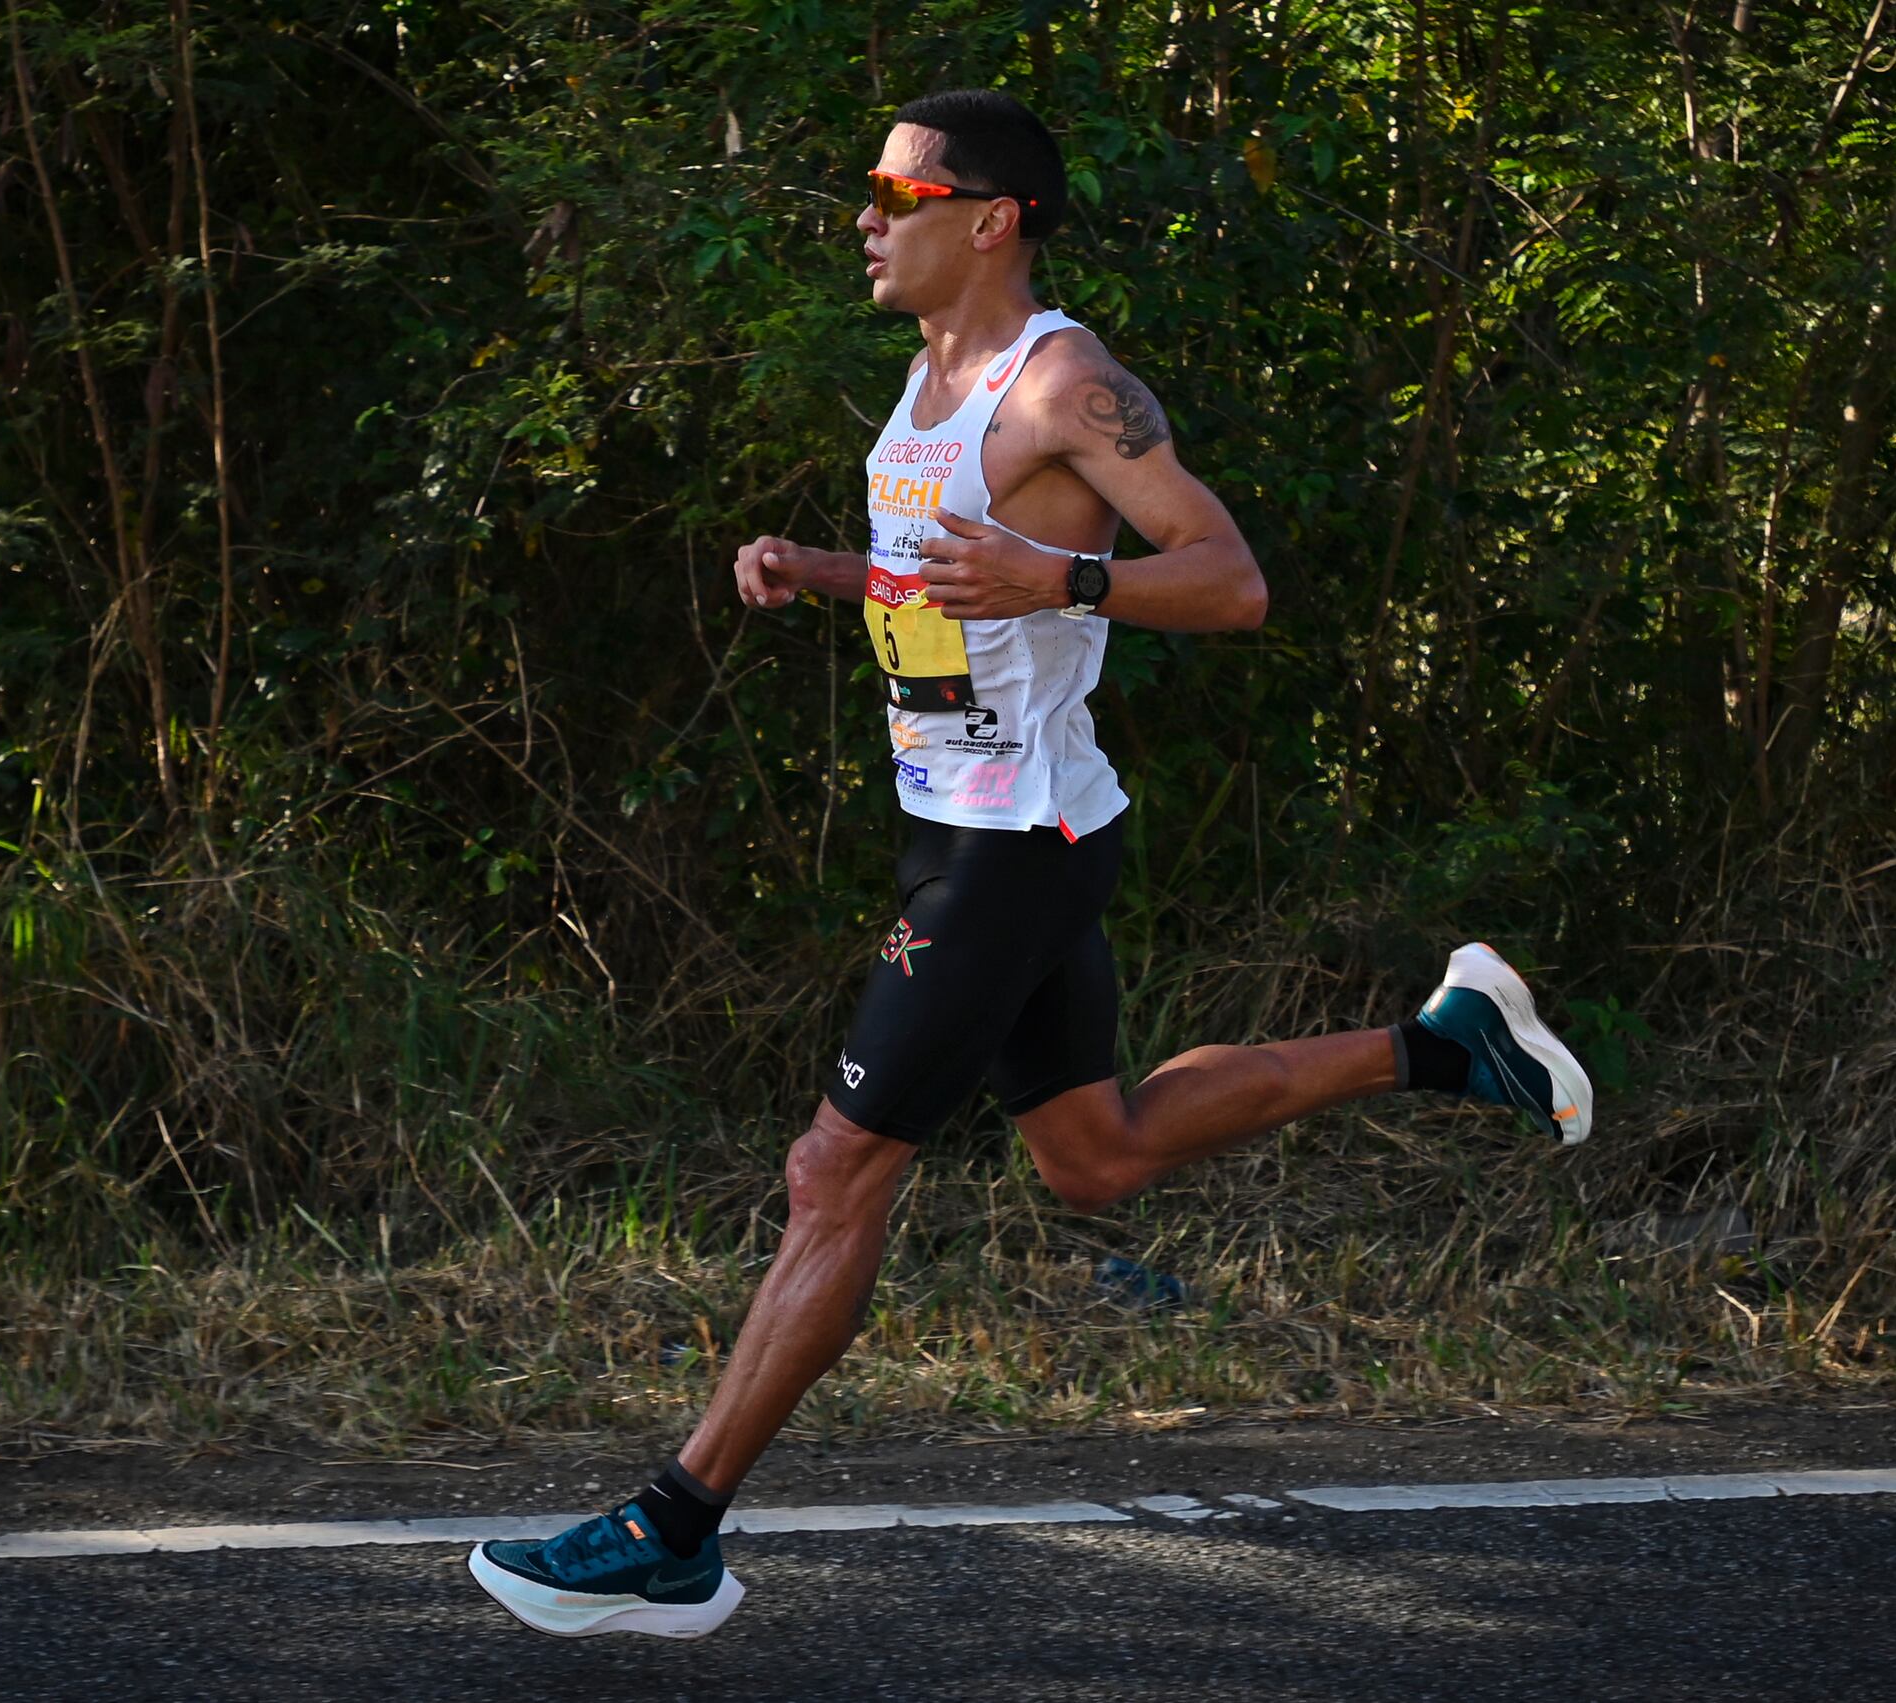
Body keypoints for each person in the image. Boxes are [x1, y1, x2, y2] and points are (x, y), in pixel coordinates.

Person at [467, 88, 1594, 1641]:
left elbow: (1231, 582)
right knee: (1098, 1155)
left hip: (1012, 844)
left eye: (893, 191)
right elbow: (959, 577)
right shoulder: (930, 382)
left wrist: (1067, 576)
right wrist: (827, 571)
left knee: (831, 1171)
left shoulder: (1063, 381)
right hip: (982, 821)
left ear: (988, 218)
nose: (867, 215)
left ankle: (675, 1528)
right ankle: (1442, 1044)